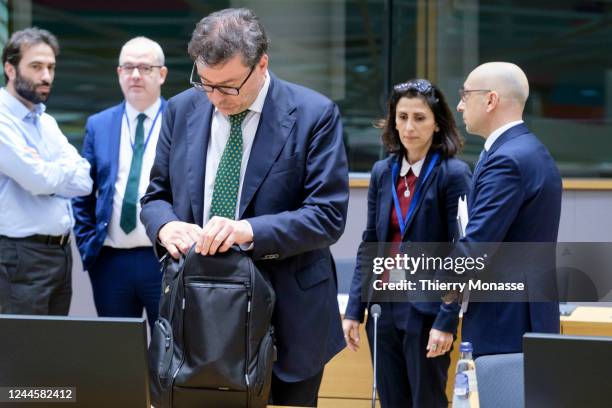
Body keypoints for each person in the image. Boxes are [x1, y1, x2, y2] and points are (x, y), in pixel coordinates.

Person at [140, 8, 349, 407]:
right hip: (198, 314)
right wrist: (165, 227)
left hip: (289, 315)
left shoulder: (313, 114)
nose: (217, 98)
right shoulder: (182, 109)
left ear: (262, 64)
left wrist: (247, 230)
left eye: (230, 87)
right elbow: (155, 197)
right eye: (207, 84)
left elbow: (327, 216)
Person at [343, 79, 471, 408]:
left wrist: (446, 319)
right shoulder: (382, 172)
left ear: (437, 123)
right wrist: (353, 309)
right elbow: (370, 243)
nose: (408, 127)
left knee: (426, 400)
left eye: (419, 117)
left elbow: (463, 252)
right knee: (391, 400)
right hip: (383, 307)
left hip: (426, 308)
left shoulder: (453, 174)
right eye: (402, 117)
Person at [429, 62, 562, 358]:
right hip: (523, 313)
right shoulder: (526, 149)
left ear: (490, 100)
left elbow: (477, 245)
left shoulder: (508, 161)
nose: (460, 106)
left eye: (465, 95)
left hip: (507, 321)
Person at [72, 37, 168, 328]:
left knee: (169, 349)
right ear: (118, 73)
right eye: (128, 67)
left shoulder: (180, 120)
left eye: (144, 67)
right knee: (116, 352)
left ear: (161, 74)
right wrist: (89, 244)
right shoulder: (99, 124)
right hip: (110, 262)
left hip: (163, 260)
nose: (135, 75)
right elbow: (83, 191)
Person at [0, 27, 92, 315]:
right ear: (10, 69)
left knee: (53, 351)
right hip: (20, 257)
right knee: (22, 352)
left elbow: (85, 180)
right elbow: (37, 180)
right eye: (36, 66)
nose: (46, 76)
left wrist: (46, 169)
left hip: (60, 255)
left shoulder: (45, 122)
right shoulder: (3, 120)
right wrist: (53, 171)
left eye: (51, 67)